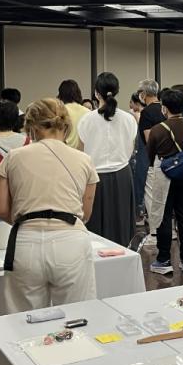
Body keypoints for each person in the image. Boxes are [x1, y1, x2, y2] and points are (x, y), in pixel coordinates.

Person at [0, 98, 99, 312]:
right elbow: (86, 213)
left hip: (26, 243)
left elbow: (1, 209)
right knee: (76, 317)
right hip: (71, 240)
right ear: (66, 126)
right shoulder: (84, 160)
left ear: (31, 127)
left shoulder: (13, 157)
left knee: (24, 320)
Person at [76, 72, 137, 245]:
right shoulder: (129, 119)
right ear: (116, 91)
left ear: (96, 93)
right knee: (121, 223)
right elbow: (131, 149)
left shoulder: (86, 120)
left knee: (95, 225)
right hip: (122, 175)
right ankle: (122, 254)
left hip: (94, 177)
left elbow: (80, 152)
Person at [145, 88, 183, 274]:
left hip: (164, 176)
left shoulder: (158, 129)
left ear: (164, 108)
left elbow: (150, 155)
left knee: (163, 216)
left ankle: (164, 260)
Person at [134, 79, 163, 221]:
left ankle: (154, 229)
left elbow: (148, 139)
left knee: (150, 196)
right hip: (165, 157)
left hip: (150, 160)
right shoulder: (164, 109)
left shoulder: (146, 112)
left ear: (144, 93)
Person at [57, 79, 89, 149]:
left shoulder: (60, 111)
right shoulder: (88, 112)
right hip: (83, 152)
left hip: (64, 150)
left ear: (61, 94)